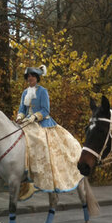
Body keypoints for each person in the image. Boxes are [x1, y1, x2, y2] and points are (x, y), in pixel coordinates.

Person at [15, 66, 82, 196]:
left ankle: (41, 173)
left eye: (32, 76)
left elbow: (46, 110)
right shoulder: (25, 92)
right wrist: (19, 117)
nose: (30, 78)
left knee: (39, 141)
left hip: (42, 123)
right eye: (28, 77)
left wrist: (34, 117)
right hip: (27, 122)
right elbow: (22, 109)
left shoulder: (43, 91)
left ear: (37, 78)